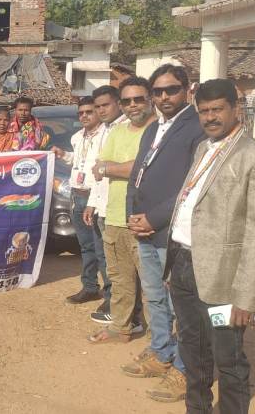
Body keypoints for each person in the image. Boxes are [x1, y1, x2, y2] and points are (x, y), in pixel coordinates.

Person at [167, 79, 255, 412]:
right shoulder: (204, 148)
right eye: (204, 111)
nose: (210, 117)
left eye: (218, 109)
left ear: (236, 109)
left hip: (224, 283)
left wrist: (247, 296)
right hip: (184, 268)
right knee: (193, 352)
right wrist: (173, 265)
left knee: (228, 359)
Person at [122, 64, 205, 400]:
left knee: (181, 305)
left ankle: (185, 369)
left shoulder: (197, 128)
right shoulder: (153, 128)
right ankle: (161, 351)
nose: (164, 96)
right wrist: (131, 216)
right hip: (143, 228)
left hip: (172, 231)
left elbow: (192, 185)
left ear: (187, 89)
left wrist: (154, 219)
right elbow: (137, 176)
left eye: (171, 89)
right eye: (157, 91)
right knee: (155, 297)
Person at [87, 77, 155, 344]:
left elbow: (144, 168)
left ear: (150, 99)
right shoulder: (117, 132)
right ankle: (121, 328)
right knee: (119, 279)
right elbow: (98, 166)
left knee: (153, 284)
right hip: (114, 216)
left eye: (138, 99)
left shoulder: (159, 132)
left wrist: (111, 168)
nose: (133, 105)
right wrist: (118, 167)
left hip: (145, 220)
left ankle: (159, 341)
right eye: (127, 101)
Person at [52, 96, 107, 306]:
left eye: (89, 112)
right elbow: (78, 160)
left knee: (102, 249)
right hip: (77, 195)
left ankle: (111, 295)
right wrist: (63, 154)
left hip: (96, 196)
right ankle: (90, 287)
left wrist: (93, 201)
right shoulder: (77, 137)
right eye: (81, 113)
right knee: (86, 246)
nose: (84, 116)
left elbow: (102, 172)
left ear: (98, 112)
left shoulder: (106, 135)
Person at [84, 85, 129, 318]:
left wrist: (105, 169)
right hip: (101, 207)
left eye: (106, 105)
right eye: (98, 106)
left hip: (118, 209)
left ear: (118, 104)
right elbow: (97, 172)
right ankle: (112, 302)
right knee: (105, 259)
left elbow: (111, 168)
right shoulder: (105, 130)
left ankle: (121, 310)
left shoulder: (127, 129)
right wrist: (92, 202)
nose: (101, 110)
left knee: (120, 265)